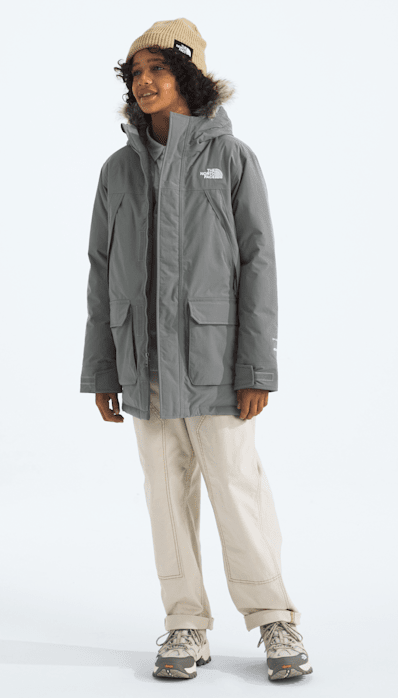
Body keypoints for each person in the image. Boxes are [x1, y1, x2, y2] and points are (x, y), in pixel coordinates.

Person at [80, 18, 313, 682]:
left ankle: (273, 617)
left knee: (237, 491)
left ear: (189, 77)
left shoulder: (232, 160)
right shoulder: (117, 171)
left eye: (158, 69)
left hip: (216, 365)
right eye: (135, 73)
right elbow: (101, 273)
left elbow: (259, 265)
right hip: (145, 367)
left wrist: (256, 367)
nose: (144, 82)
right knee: (165, 496)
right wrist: (103, 368)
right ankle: (185, 624)